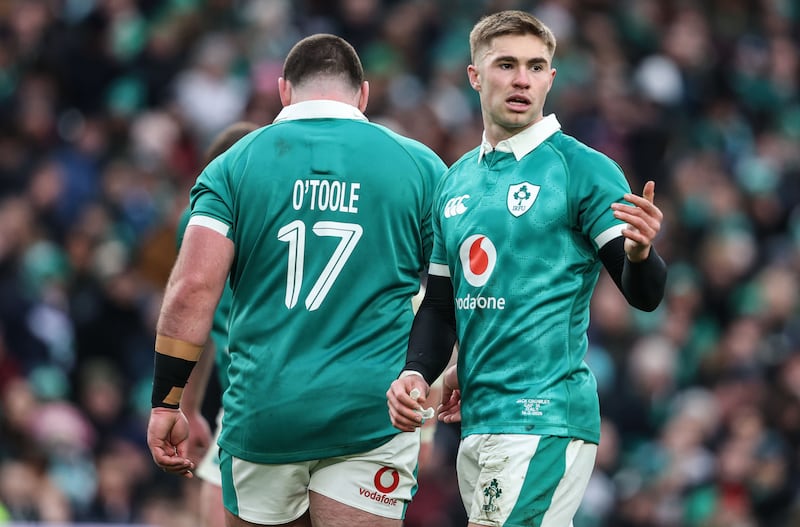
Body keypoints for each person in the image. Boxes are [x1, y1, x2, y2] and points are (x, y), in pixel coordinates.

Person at [146, 33, 447, 527]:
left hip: (263, 414)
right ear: (363, 94)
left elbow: (192, 289)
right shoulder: (420, 166)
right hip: (370, 413)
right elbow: (447, 291)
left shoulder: (231, 166)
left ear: (284, 91)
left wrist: (168, 403)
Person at [386, 10, 667, 527]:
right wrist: (417, 373)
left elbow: (644, 294)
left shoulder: (581, 169)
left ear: (551, 79)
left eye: (536, 67)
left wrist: (639, 254)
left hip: (544, 417)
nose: (522, 79)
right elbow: (442, 305)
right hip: (477, 421)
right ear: (474, 75)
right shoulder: (455, 181)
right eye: (506, 65)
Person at [175, 120, 262, 527]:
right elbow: (202, 324)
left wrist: (184, 407)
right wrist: (188, 409)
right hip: (251, 397)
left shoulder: (202, 221)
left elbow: (193, 312)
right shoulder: (202, 220)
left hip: (253, 397)